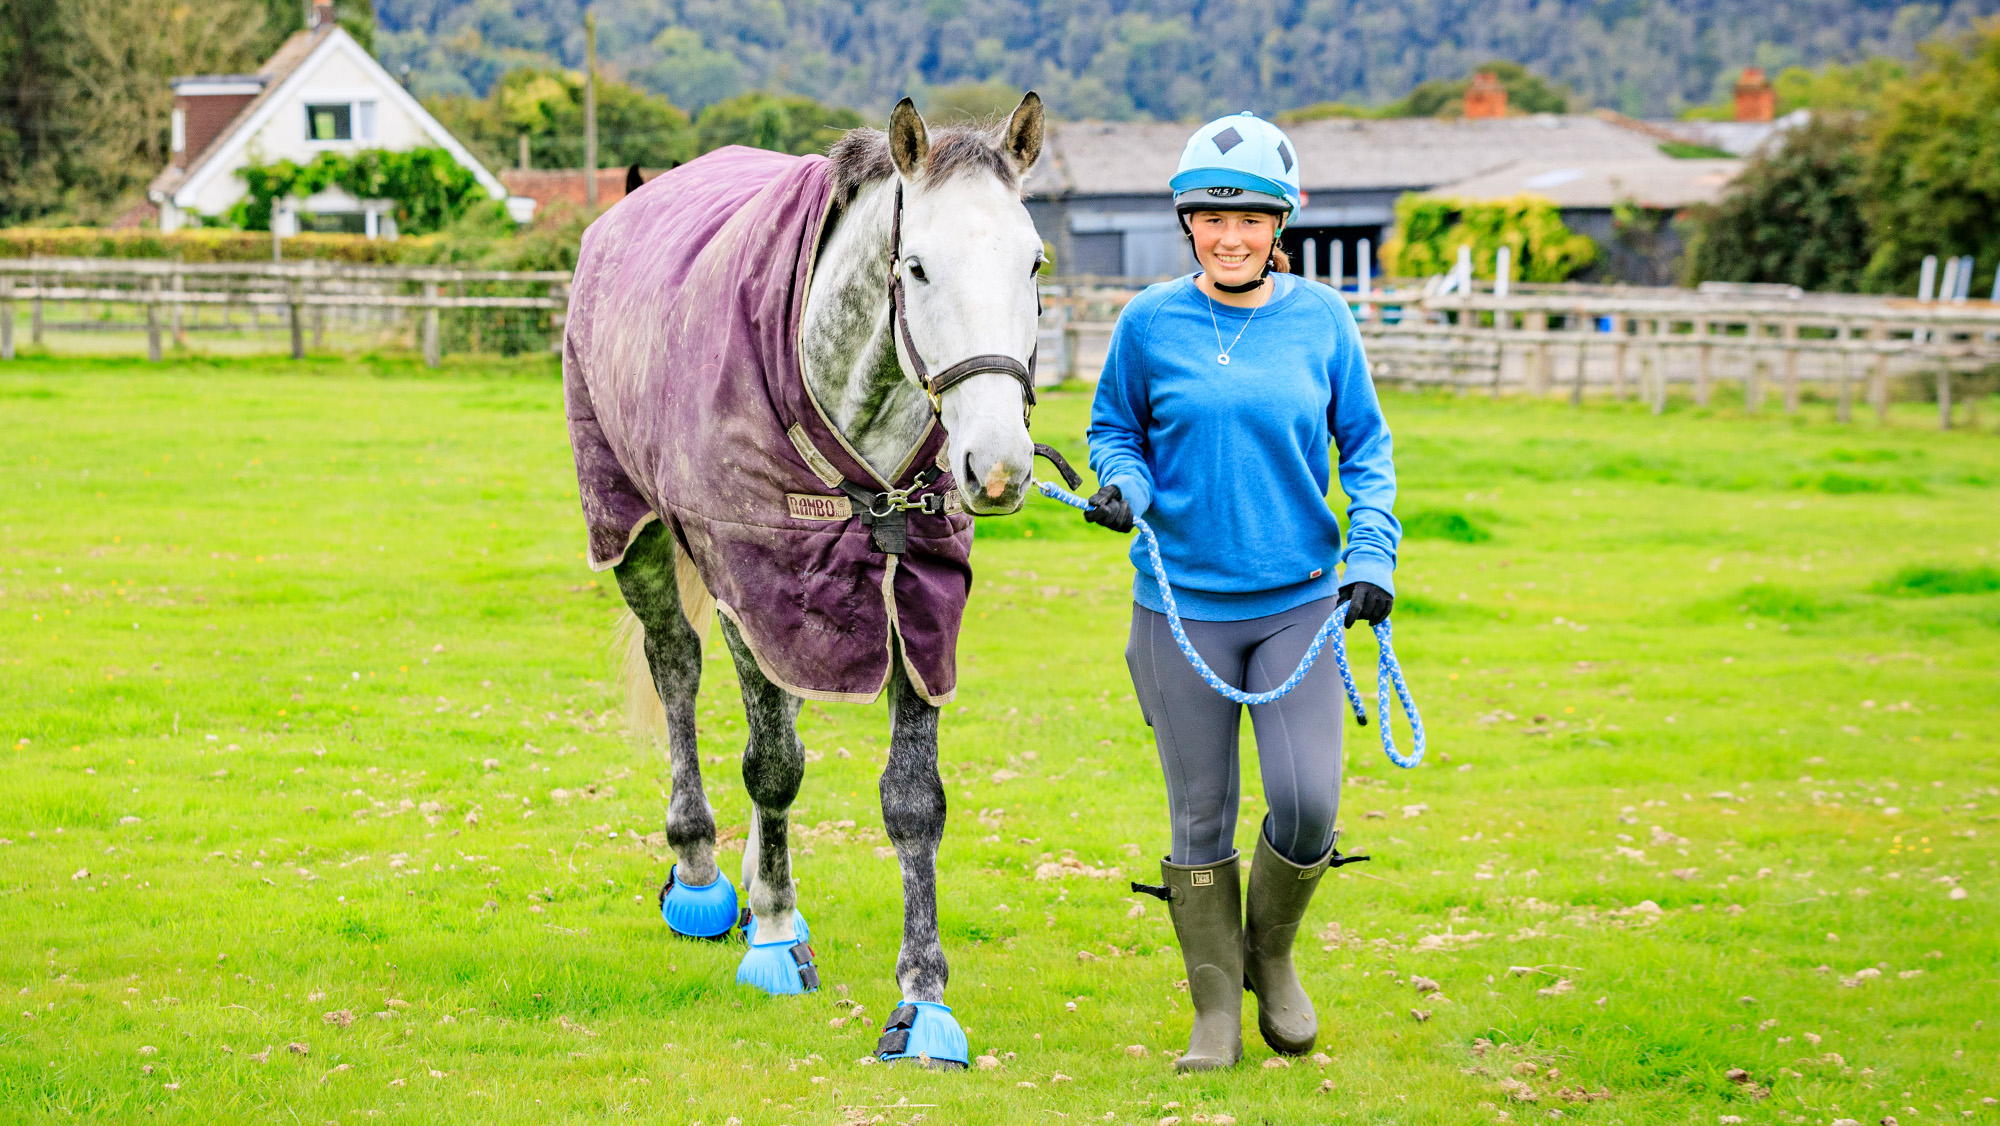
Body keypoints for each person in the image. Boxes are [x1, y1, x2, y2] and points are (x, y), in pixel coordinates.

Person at [1082, 111, 1400, 1071]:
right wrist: (1124, 488)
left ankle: (1271, 950)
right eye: (1212, 218)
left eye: (1252, 219)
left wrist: (1372, 559)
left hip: (1299, 605)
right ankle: (1215, 1012)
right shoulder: (1148, 322)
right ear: (1187, 224)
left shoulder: (1323, 320)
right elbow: (1115, 432)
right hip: (1179, 612)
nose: (1231, 235)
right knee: (1199, 819)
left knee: (1307, 805)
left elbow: (1369, 452)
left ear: (1280, 225)